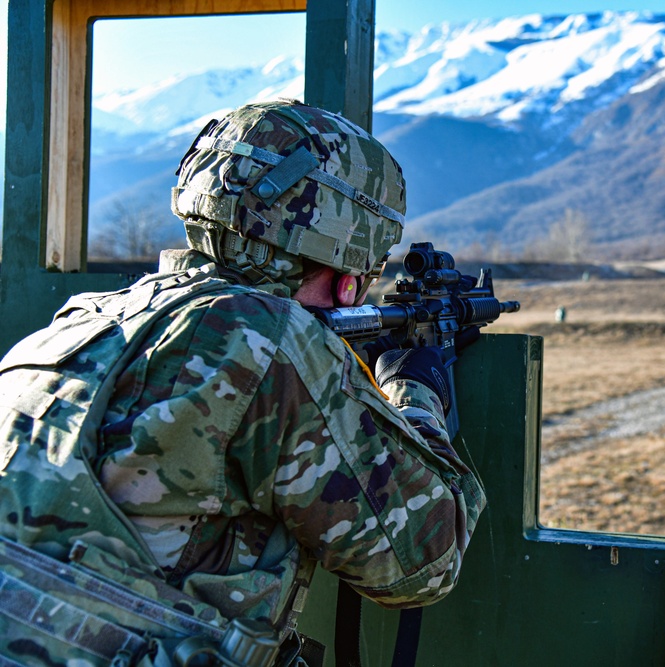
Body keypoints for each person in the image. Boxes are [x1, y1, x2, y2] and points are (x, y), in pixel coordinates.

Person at [0, 100, 486, 664]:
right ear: (348, 266)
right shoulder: (266, 339)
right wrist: (413, 392)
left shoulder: (83, 319)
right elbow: (424, 562)